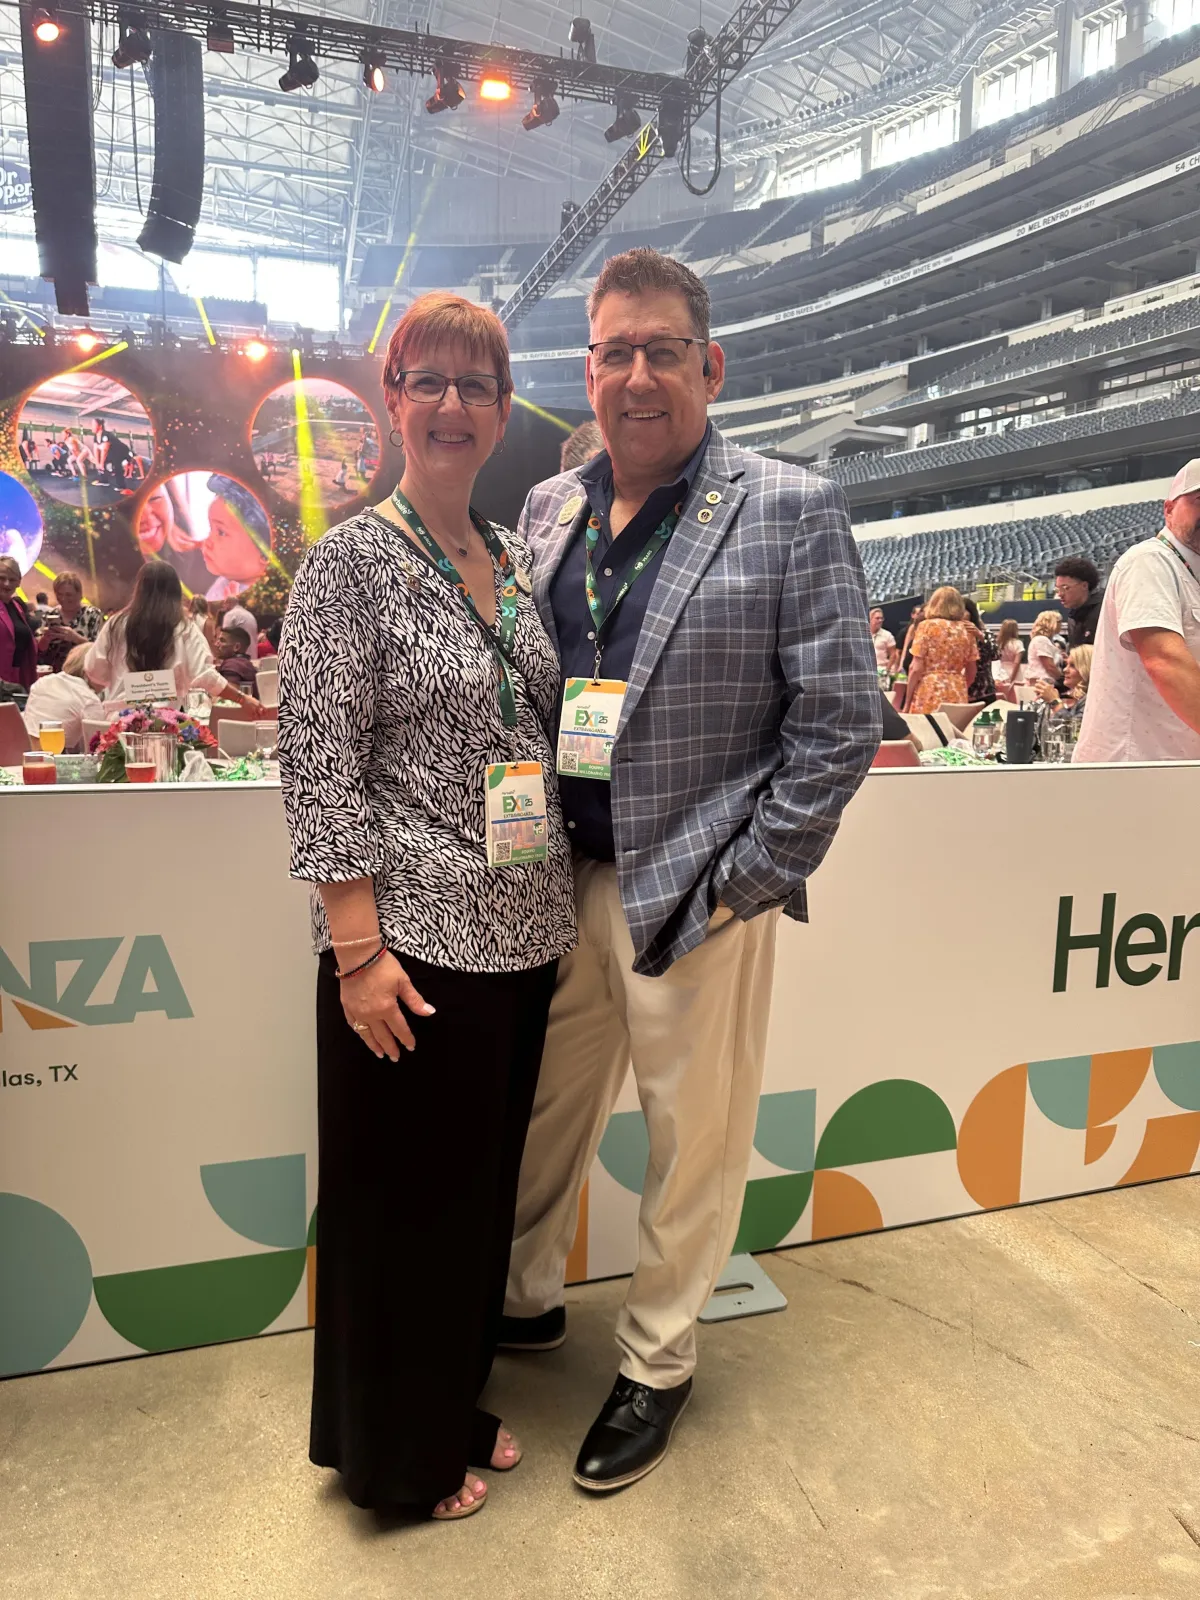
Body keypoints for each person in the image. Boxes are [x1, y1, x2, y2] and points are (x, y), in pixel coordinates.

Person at [501, 248, 880, 1493]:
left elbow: (837, 722)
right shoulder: (550, 512)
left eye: (664, 349)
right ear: (588, 373)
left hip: (696, 887)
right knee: (542, 1109)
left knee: (690, 1136)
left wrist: (747, 879)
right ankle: (521, 1296)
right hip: (557, 879)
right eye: (614, 351)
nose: (639, 374)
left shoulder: (787, 503)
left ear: (708, 367)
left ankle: (657, 1360)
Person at [277, 292, 575, 1523]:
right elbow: (320, 757)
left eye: (478, 385)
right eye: (431, 382)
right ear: (393, 395)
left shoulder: (505, 556)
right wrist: (355, 950)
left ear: (504, 410)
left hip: (521, 935)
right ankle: (392, 1459)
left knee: (469, 1212)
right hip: (407, 950)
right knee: (398, 1215)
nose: (454, 406)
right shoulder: (351, 562)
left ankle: (446, 1399)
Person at [1074, 459, 1200, 762]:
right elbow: (1164, 660)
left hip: (1171, 767)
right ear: (1168, 509)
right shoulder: (1150, 561)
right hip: (1134, 769)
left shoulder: (1190, 572)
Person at [85, 560, 261, 713]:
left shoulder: (116, 624)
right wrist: (242, 699)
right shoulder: (184, 627)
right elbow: (204, 675)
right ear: (176, 591)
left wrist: (120, 678)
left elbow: (93, 669)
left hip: (119, 723)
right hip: (165, 726)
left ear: (139, 589)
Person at [903, 586, 978, 713]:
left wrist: (907, 703)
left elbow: (915, 668)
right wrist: (957, 683)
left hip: (930, 689)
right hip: (957, 689)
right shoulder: (967, 629)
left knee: (927, 730)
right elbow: (972, 670)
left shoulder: (926, 626)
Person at [136, 479, 212, 598]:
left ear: (170, 499)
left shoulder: (210, 563)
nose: (144, 516)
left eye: (154, 498)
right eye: (130, 505)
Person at [202, 476, 270, 601]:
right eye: (211, 529)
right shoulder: (226, 581)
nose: (207, 543)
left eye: (221, 532)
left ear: (265, 552)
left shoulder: (265, 601)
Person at [22, 642, 101, 750]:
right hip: (57, 758)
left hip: (23, 754)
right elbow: (98, 745)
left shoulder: (42, 682)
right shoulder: (88, 698)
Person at [37, 572, 104, 673]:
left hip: (84, 673)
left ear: (79, 594)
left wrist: (75, 638)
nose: (63, 599)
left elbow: (99, 649)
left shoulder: (92, 614)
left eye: (69, 595)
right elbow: (39, 651)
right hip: (54, 675)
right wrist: (45, 638)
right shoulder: (49, 615)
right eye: (59, 594)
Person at [0, 555, 36, 689]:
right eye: (2, 578)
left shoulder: (18, 607)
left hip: (19, 679)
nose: (7, 584)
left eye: (12, 579)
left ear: (19, 582)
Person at [1054, 556, 1103, 647]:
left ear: (1084, 586)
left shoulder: (1104, 611)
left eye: (1065, 588)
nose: (1060, 594)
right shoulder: (1073, 616)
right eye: (1057, 589)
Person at [1033, 644, 1091, 719]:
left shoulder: (1091, 700)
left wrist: (1054, 702)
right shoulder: (1076, 698)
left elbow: (1072, 728)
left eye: (1073, 666)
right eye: (1066, 664)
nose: (1065, 670)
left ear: (1087, 669)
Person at [962, 595, 997, 704]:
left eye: (963, 611)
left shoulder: (986, 633)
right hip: (959, 689)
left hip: (984, 689)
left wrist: (980, 636)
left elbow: (996, 654)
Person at [892, 601, 924, 708]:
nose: (919, 615)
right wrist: (900, 664)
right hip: (908, 665)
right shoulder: (910, 629)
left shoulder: (927, 629)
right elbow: (904, 648)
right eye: (918, 613)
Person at [213, 624, 258, 695]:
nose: (216, 644)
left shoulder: (231, 665)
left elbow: (229, 698)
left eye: (222, 641)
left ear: (236, 647)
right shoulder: (244, 663)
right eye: (217, 639)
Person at [1024, 610, 1063, 687]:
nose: (1061, 625)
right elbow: (1050, 667)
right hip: (1042, 683)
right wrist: (1063, 679)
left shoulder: (1046, 640)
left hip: (1044, 683)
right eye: (1059, 622)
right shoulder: (1042, 640)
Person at [93, 417, 133, 487]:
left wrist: (101, 464)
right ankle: (104, 481)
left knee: (116, 465)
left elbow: (105, 450)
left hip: (122, 451)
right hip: (112, 452)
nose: (92, 427)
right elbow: (95, 449)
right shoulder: (96, 436)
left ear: (100, 426)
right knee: (102, 462)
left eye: (93, 425)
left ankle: (122, 486)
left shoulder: (106, 434)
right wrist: (97, 463)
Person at [994, 618, 1024, 693]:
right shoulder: (1018, 643)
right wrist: (1012, 679)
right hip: (1014, 672)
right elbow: (1016, 662)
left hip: (1001, 672)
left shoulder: (998, 644)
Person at [869, 606, 898, 680]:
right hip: (868, 670)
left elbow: (893, 655)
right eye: (877, 618)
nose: (880, 620)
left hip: (882, 671)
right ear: (870, 619)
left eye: (882, 618)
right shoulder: (863, 633)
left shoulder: (887, 635)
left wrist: (887, 671)